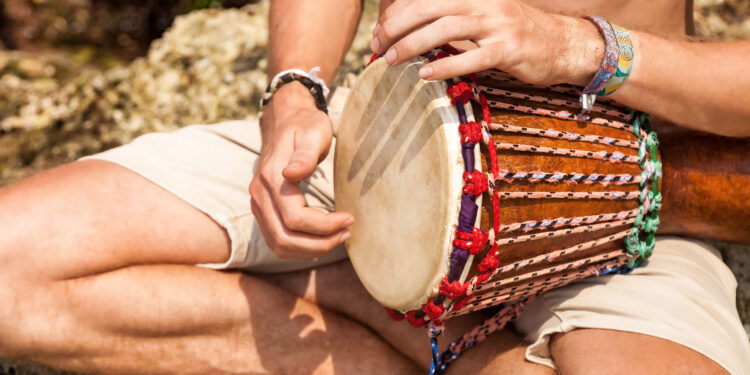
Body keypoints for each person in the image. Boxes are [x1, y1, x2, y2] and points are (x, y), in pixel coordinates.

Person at [0, 0, 748, 373]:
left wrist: (579, 44)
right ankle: (388, 300)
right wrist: (294, 92)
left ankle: (416, 323)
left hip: (631, 208)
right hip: (379, 155)